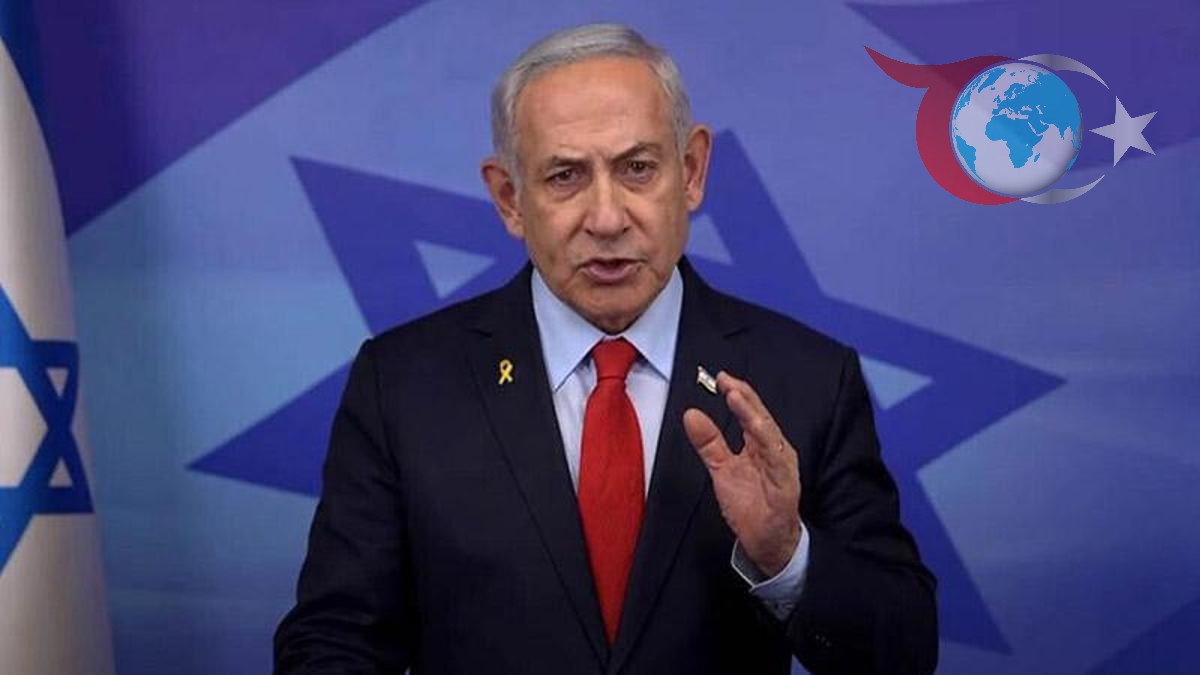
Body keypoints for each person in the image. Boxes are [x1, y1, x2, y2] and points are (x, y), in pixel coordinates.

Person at [274, 23, 937, 675]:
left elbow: (903, 652)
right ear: (509, 198)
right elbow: (333, 644)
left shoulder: (809, 379)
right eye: (565, 175)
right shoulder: (402, 386)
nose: (608, 218)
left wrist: (787, 554)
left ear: (692, 171)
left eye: (637, 168)